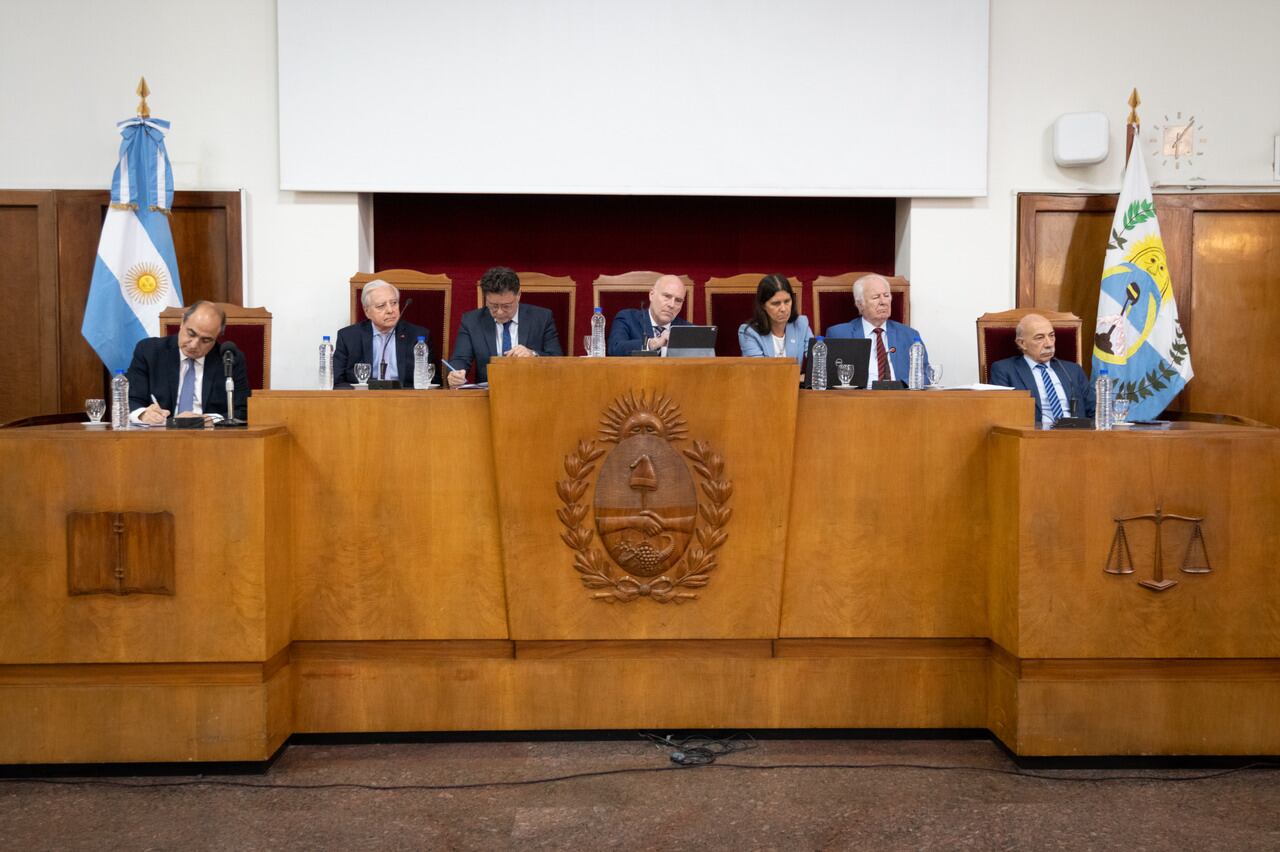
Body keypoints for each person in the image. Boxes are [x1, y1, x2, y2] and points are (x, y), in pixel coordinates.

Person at [126, 300, 249, 424]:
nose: (194, 345)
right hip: (161, 435)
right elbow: (131, 399)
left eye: (206, 340)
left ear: (217, 337)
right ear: (182, 322)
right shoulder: (150, 351)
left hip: (210, 437)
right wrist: (143, 414)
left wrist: (209, 419)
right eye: (191, 334)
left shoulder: (229, 359)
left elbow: (243, 410)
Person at [447, 266, 563, 387]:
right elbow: (460, 359)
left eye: (506, 306)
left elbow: (557, 360)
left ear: (518, 295)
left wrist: (533, 355)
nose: (500, 312)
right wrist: (455, 373)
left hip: (533, 390)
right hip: (490, 394)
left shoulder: (542, 318)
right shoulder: (472, 321)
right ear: (486, 298)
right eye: (494, 306)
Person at [989, 312, 1095, 425]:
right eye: (1039, 338)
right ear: (1022, 343)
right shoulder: (1005, 370)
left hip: (1078, 436)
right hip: (1034, 437)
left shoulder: (1072, 370)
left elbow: (1095, 411)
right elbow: (1002, 415)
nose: (1049, 344)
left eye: (1051, 335)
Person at [825, 273, 929, 383]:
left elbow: (926, 375)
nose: (883, 302)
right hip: (859, 397)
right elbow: (829, 378)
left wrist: (902, 385)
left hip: (900, 396)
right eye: (876, 297)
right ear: (860, 304)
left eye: (886, 296)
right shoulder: (839, 334)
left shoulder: (909, 335)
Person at [334, 280, 434, 387]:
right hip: (363, 400)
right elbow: (337, 380)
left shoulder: (418, 337)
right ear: (367, 311)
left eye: (394, 303)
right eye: (381, 306)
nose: (390, 310)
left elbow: (431, 379)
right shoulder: (348, 337)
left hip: (406, 399)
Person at [606, 274, 691, 356]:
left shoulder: (688, 330)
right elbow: (614, 348)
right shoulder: (628, 318)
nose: (672, 305)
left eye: (678, 300)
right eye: (667, 296)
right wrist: (651, 344)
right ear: (652, 295)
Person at [737, 274, 812, 365]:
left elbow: (817, 360)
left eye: (787, 301)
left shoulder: (801, 324)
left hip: (794, 379)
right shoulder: (749, 333)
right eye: (776, 303)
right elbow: (759, 371)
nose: (783, 309)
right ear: (763, 305)